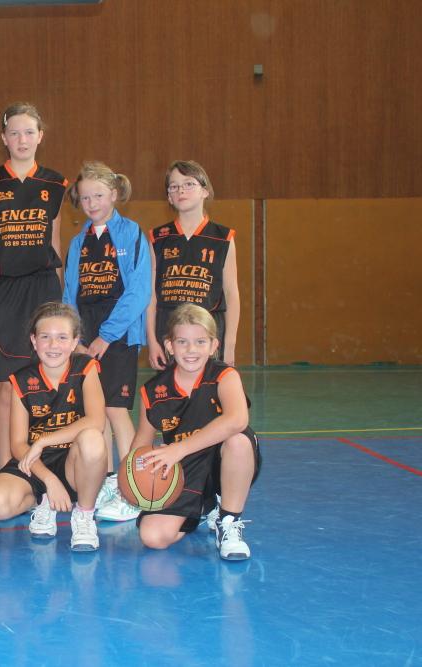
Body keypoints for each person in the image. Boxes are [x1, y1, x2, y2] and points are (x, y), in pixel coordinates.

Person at [0, 102, 67, 469]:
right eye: (14, 133)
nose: (22, 140)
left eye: (28, 132)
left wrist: (62, 305)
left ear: (40, 136)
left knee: (48, 380)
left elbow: (55, 244)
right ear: (4, 138)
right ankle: (9, 468)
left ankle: (47, 462)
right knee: (7, 387)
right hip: (2, 291)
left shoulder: (55, 183)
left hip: (44, 289)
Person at [134, 303, 261, 560]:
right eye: (182, 342)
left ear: (214, 346)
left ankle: (228, 521)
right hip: (185, 468)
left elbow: (237, 419)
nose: (191, 350)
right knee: (153, 537)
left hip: (222, 460)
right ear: (169, 346)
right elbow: (140, 444)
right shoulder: (153, 391)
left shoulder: (224, 376)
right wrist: (134, 478)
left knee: (238, 441)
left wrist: (178, 449)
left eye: (200, 342)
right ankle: (203, 506)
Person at [61, 161, 151, 523]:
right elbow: (69, 293)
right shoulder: (77, 242)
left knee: (116, 409)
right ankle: (108, 482)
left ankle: (133, 489)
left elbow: (139, 291)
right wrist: (76, 338)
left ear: (114, 194)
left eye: (98, 195)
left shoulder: (131, 234)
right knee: (95, 414)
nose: (92, 203)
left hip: (118, 335)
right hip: (86, 338)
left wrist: (106, 336)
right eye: (85, 198)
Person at [0, 302, 107, 551]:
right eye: (45, 337)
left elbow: (97, 421)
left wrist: (43, 441)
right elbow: (18, 444)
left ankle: (84, 514)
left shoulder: (85, 368)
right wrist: (49, 479)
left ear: (74, 342)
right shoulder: (21, 380)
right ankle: (43, 501)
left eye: (62, 337)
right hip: (35, 463)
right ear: (34, 340)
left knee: (93, 439)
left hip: (74, 461)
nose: (53, 345)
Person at [146, 160, 239, 369]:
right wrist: (152, 341)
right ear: (169, 197)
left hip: (209, 329)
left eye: (188, 184)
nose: (181, 190)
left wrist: (230, 345)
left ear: (205, 191)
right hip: (168, 330)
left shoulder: (223, 237)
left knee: (209, 388)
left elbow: (231, 293)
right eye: (174, 186)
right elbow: (150, 295)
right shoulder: (158, 238)